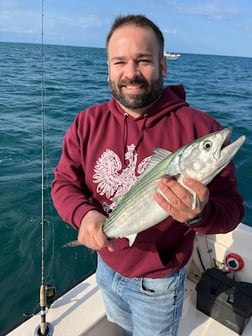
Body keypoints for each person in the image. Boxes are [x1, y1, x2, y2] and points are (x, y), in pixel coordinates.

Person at [51, 14, 244, 336]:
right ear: (109, 68)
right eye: (119, 62)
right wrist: (83, 217)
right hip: (106, 268)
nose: (131, 74)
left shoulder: (200, 128)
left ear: (163, 65)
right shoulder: (86, 122)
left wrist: (200, 215)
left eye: (143, 61)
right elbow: (64, 183)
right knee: (122, 328)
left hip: (160, 282)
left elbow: (232, 211)